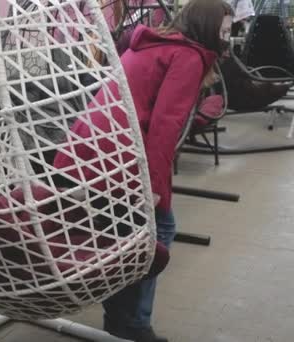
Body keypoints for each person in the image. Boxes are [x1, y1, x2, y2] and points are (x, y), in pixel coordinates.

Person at [53, 0, 234, 341]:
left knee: (125, 238)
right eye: (223, 31)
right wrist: (153, 189)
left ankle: (122, 318)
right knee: (156, 233)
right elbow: (164, 129)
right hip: (115, 157)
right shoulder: (188, 57)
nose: (228, 39)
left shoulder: (158, 43)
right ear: (206, 27)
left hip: (88, 152)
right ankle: (131, 325)